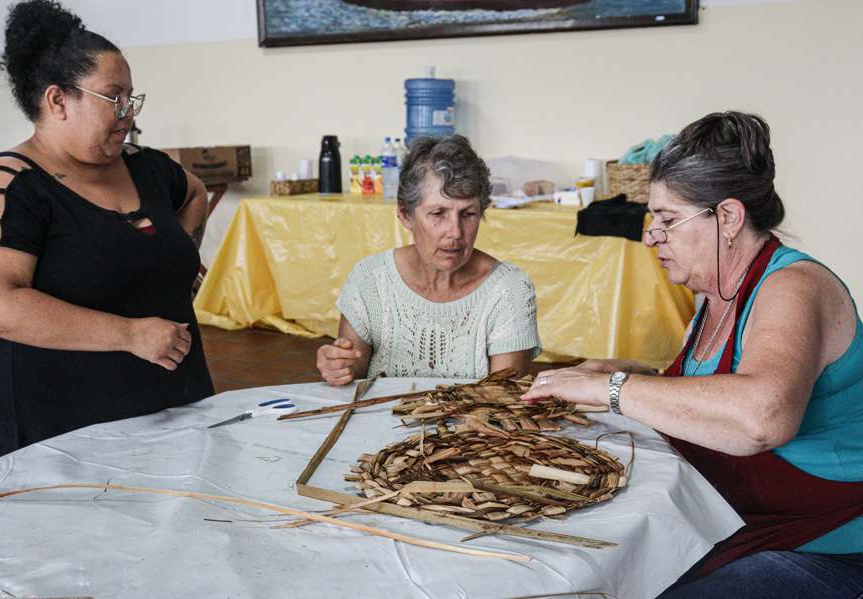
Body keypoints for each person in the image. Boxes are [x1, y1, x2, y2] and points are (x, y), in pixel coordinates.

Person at [521, 112, 863, 598]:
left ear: (728, 218)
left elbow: (761, 418)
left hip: (828, 544)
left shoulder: (793, 286)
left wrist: (613, 389)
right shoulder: (717, 292)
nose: (650, 236)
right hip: (741, 524)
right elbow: (711, 397)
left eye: (667, 220)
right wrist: (637, 374)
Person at [0, 0, 214, 456]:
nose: (129, 112)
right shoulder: (9, 184)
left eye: (131, 98)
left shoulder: (148, 167)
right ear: (58, 100)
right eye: (114, 98)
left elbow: (196, 193)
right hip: (64, 418)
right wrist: (130, 335)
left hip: (173, 394)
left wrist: (181, 261)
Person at [316, 134, 541, 384]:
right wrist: (338, 366)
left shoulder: (508, 290)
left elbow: (503, 394)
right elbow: (353, 373)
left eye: (468, 214)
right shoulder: (370, 279)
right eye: (438, 213)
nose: (455, 232)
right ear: (405, 214)